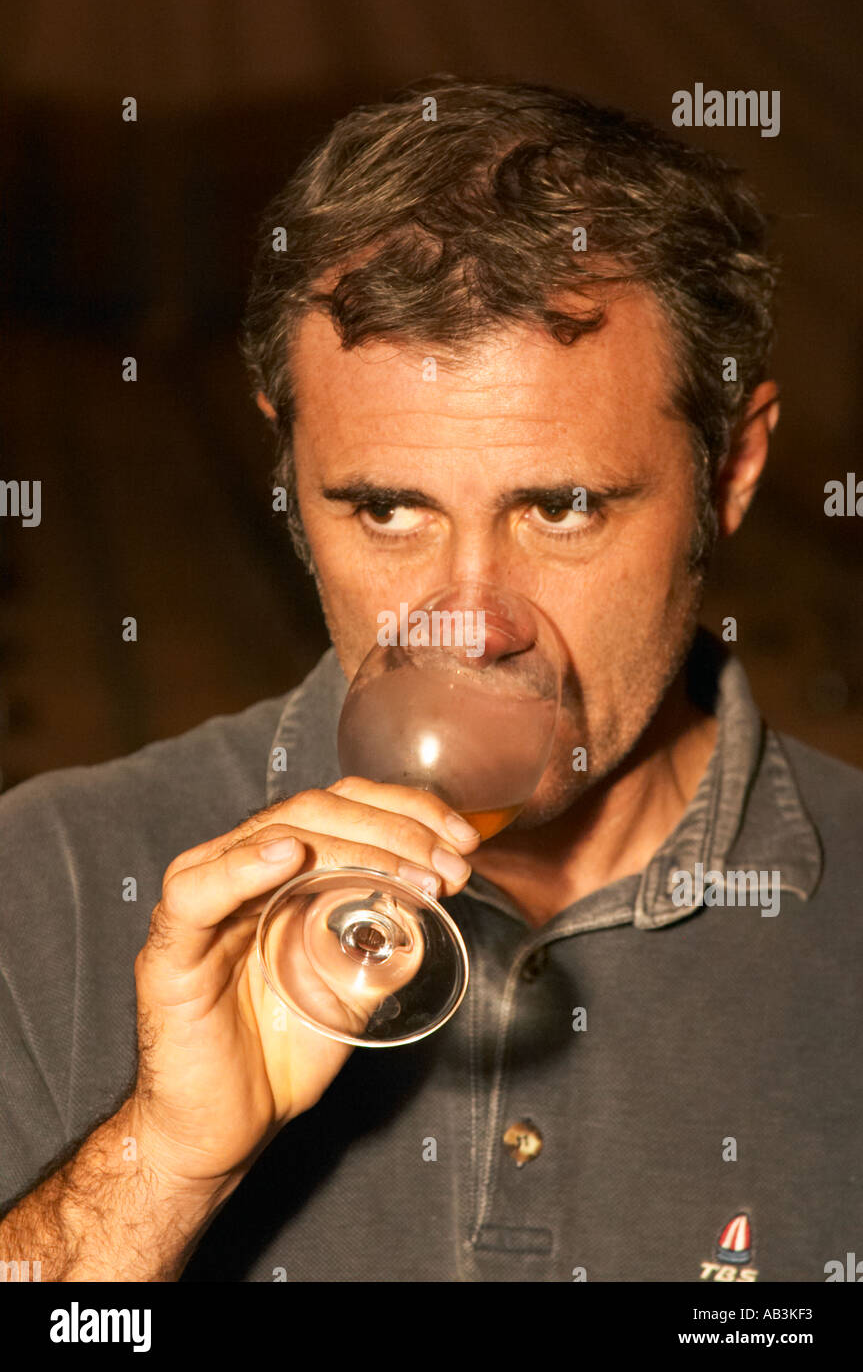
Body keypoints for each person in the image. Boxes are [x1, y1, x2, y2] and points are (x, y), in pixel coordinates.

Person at [1, 77, 860, 1284]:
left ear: (733, 471)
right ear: (289, 471)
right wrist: (160, 1164)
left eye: (561, 507)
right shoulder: (54, 878)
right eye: (387, 507)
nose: (472, 622)